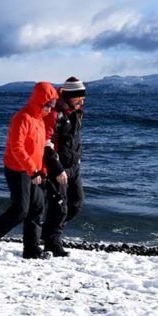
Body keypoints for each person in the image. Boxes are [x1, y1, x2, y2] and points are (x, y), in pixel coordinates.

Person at [0, 82, 59, 259]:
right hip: (17, 169)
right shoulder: (22, 118)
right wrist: (32, 170)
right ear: (39, 102)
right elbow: (17, 147)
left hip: (35, 171)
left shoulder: (40, 121)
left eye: (52, 106)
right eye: (48, 105)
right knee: (21, 209)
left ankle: (31, 250)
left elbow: (39, 149)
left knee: (37, 208)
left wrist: (42, 170)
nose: (50, 109)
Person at [42, 77, 87, 257]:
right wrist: (57, 168)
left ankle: (48, 231)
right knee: (59, 207)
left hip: (74, 167)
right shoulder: (55, 114)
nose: (82, 101)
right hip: (59, 168)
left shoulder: (75, 112)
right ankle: (52, 242)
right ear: (69, 95)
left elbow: (74, 140)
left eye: (82, 98)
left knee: (76, 203)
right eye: (78, 97)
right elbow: (47, 143)